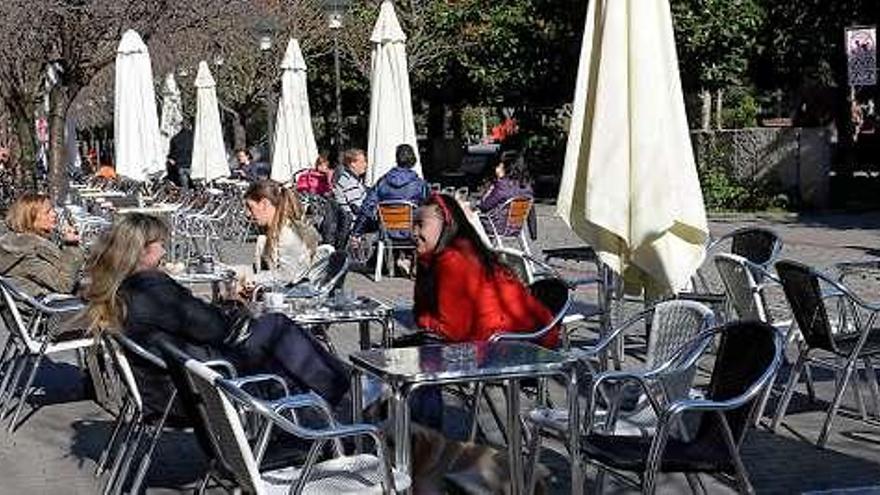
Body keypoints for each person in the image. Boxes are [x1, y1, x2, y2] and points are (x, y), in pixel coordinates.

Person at [82, 213, 349, 419]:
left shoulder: (123, 288)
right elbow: (215, 329)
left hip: (172, 381)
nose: (164, 252)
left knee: (276, 337)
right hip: (202, 384)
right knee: (275, 327)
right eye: (160, 245)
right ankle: (348, 395)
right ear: (143, 251)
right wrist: (234, 308)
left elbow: (192, 323)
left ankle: (339, 395)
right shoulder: (152, 289)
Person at [412, 193, 557, 346]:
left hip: (518, 343)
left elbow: (453, 331)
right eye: (413, 224)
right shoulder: (450, 255)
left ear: (446, 224)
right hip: (515, 336)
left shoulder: (453, 260)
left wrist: (425, 320)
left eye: (421, 224)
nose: (413, 232)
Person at [0, 193, 83, 297]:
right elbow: (64, 285)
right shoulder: (24, 251)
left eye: (52, 209)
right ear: (30, 218)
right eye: (47, 212)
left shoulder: (29, 242)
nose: (54, 214)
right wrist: (72, 246)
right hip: (56, 308)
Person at [243, 181, 320, 284]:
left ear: (264, 204)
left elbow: (287, 275)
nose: (247, 214)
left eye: (250, 207)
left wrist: (252, 279)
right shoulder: (279, 230)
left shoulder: (287, 234)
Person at [351, 143, 428, 239]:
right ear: (413, 160)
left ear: (397, 159)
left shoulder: (382, 182)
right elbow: (427, 208)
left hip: (386, 232)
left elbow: (367, 207)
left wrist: (356, 232)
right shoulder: (419, 184)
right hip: (411, 232)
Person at [476, 150, 534, 235]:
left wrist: (490, 189)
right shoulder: (527, 187)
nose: (496, 168)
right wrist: (533, 232)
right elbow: (532, 210)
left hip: (496, 226)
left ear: (506, 168)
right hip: (516, 227)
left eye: (499, 165)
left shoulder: (502, 186)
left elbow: (485, 206)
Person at [332, 148, 368, 249]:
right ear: (353, 164)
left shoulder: (349, 179)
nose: (366, 165)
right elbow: (359, 209)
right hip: (354, 227)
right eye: (363, 161)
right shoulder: (349, 183)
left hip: (353, 224)